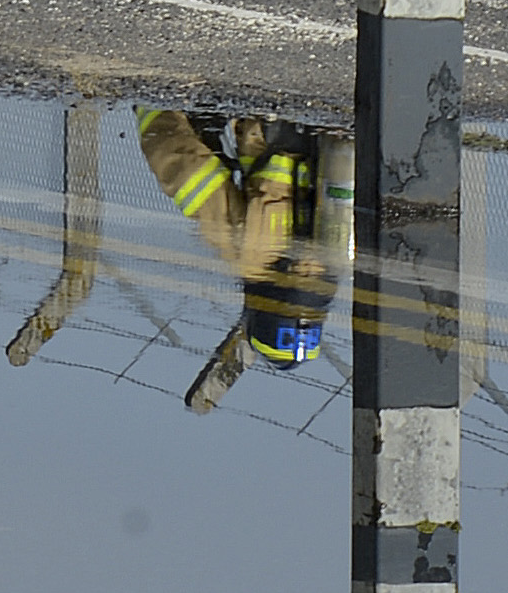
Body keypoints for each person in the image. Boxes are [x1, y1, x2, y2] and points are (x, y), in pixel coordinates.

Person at [136, 107, 350, 408]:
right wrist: (154, 111)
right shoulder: (248, 258)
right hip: (268, 110)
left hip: (337, 110)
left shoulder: (343, 261)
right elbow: (184, 169)